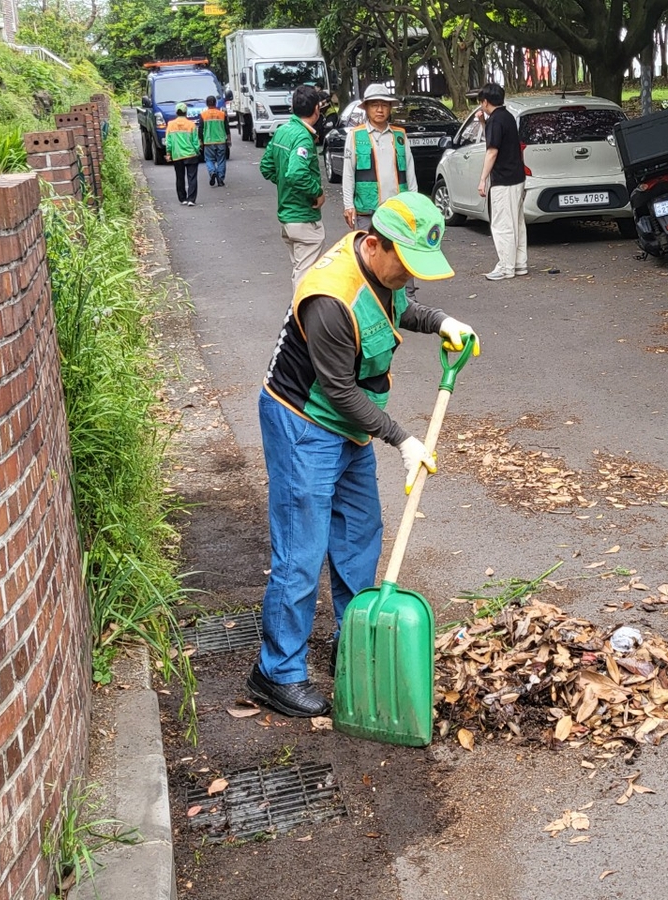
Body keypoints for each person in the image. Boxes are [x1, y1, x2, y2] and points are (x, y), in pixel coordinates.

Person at [246, 192, 480, 718]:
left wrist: (441, 321)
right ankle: (276, 672)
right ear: (375, 245)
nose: (410, 278)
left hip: (350, 426)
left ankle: (354, 640)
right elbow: (340, 392)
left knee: (358, 533)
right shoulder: (329, 297)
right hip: (304, 422)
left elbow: (397, 304)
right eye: (408, 265)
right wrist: (403, 440)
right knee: (301, 553)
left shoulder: (382, 268)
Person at [260, 84, 327, 292]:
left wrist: (284, 183)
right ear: (317, 108)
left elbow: (266, 167)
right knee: (306, 275)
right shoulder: (302, 137)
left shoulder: (282, 131)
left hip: (287, 218)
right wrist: (317, 192)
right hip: (303, 217)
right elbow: (296, 173)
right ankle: (301, 317)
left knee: (300, 267)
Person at [342, 84, 418, 232]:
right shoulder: (355, 135)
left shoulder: (400, 135)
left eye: (384, 105)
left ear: (390, 108)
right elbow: (348, 173)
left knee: (394, 251)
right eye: (374, 105)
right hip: (367, 209)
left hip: (397, 210)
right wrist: (348, 205)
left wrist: (414, 203)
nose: (380, 110)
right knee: (369, 250)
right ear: (367, 108)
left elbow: (410, 170)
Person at [476, 83, 528, 281]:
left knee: (502, 224)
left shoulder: (496, 121)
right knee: (517, 222)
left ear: (485, 102)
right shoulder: (506, 117)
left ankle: (506, 267)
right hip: (516, 177)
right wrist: (483, 122)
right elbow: (494, 139)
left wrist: (482, 180)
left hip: (503, 180)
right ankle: (519, 263)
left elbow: (492, 150)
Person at [164, 104, 201, 206]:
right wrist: (197, 151)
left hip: (177, 155)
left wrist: (168, 153)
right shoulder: (191, 125)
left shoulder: (171, 124)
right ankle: (191, 199)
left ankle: (183, 199)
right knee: (192, 177)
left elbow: (168, 142)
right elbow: (195, 142)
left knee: (180, 177)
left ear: (176, 112)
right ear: (186, 112)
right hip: (191, 154)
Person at [199, 95, 229, 187]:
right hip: (221, 141)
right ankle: (220, 179)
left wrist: (200, 141)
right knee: (221, 160)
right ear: (215, 103)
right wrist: (229, 140)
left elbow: (200, 129)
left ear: (206, 104)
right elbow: (227, 128)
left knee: (209, 160)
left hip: (208, 142)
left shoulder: (203, 115)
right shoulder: (221, 114)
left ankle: (212, 172)